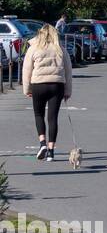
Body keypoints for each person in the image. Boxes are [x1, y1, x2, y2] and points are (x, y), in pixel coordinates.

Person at [22, 24, 72, 163]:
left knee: (39, 114)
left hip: (38, 84)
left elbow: (27, 70)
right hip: (57, 85)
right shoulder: (60, 49)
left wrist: (27, 89)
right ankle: (51, 151)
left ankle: (42, 143)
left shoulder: (34, 48)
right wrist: (68, 91)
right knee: (53, 118)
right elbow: (68, 70)